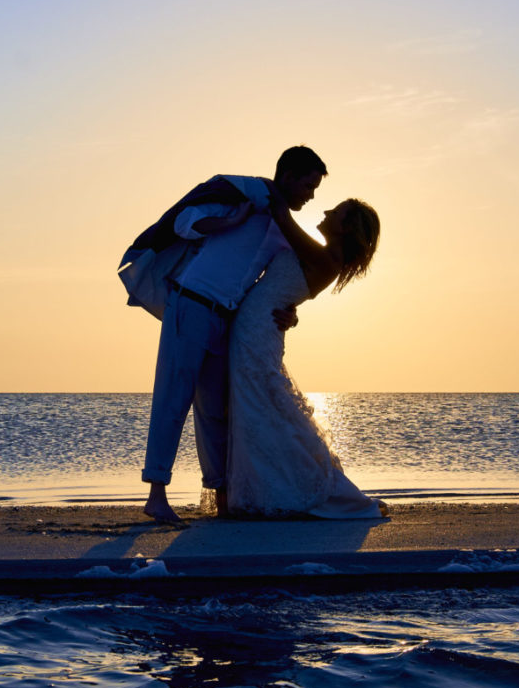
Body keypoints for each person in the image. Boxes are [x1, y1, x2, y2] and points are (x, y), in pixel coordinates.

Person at [132, 146, 328, 525]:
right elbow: (186, 221)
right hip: (190, 302)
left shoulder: (284, 229)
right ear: (287, 176)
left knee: (215, 409)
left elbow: (278, 283)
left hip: (227, 319)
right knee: (174, 398)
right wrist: (232, 219)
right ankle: (157, 495)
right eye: (308, 185)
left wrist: (292, 312)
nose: (311, 195)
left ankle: (220, 496)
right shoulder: (246, 193)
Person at [223, 191, 383, 518]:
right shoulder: (324, 255)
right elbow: (289, 292)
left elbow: (283, 219)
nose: (325, 210)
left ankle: (275, 490)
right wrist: (292, 315)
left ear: (348, 227)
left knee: (262, 406)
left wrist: (272, 189)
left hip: (257, 334)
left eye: (336, 211)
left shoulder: (328, 259)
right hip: (256, 330)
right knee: (258, 406)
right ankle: (260, 488)